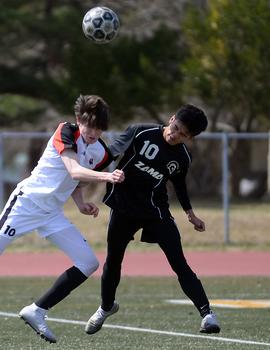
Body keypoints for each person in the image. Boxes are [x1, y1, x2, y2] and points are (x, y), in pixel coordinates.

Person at [0, 94, 124, 344]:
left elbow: (75, 180)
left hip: (51, 213)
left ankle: (37, 310)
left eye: (99, 128)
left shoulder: (100, 152)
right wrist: (107, 177)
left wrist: (80, 203)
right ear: (78, 120)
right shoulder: (66, 131)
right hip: (25, 204)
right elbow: (73, 169)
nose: (93, 132)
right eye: (89, 125)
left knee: (88, 263)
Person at [85, 104, 221, 335]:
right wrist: (95, 171)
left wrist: (190, 214)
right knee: (113, 261)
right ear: (171, 119)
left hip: (155, 211)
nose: (175, 134)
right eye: (175, 127)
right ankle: (106, 307)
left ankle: (208, 315)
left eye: (183, 134)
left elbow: (179, 185)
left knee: (179, 262)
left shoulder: (183, 157)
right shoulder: (140, 131)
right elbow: (109, 154)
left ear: (190, 138)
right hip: (124, 208)